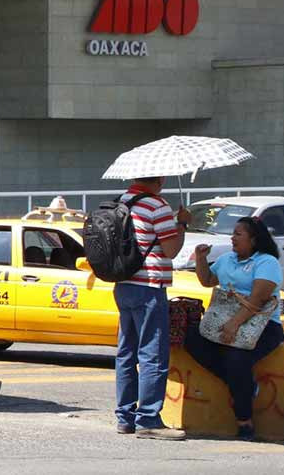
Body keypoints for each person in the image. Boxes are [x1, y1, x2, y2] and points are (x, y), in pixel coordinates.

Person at [185, 217, 284, 441]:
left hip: (262, 325)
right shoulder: (227, 259)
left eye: (238, 234)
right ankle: (245, 387)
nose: (233, 237)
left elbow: (258, 300)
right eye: (233, 233)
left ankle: (244, 422)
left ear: (253, 240)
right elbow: (208, 280)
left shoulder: (266, 262)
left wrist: (234, 324)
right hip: (227, 318)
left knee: (237, 358)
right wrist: (201, 259)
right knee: (192, 339)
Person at [113, 175, 191, 440]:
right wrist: (181, 223)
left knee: (126, 351)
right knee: (153, 353)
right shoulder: (157, 207)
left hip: (122, 284)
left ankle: (124, 417)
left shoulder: (120, 202)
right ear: (159, 179)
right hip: (149, 285)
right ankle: (148, 419)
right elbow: (171, 250)